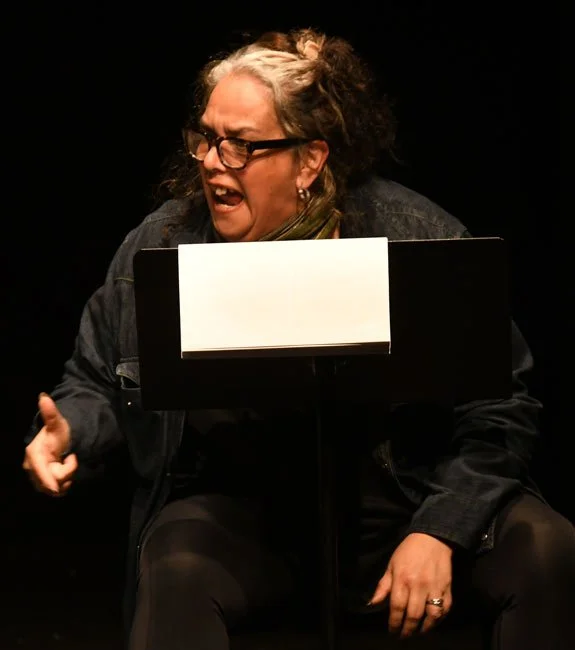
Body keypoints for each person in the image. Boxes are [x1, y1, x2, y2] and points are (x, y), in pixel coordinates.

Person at [23, 27, 574, 650]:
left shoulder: (415, 237)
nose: (212, 162)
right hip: (248, 523)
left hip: (405, 506)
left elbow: (501, 404)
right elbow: (98, 378)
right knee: (176, 561)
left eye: (240, 146)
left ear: (309, 161)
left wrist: (440, 529)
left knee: (546, 546)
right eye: (206, 139)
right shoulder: (162, 246)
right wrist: (70, 428)